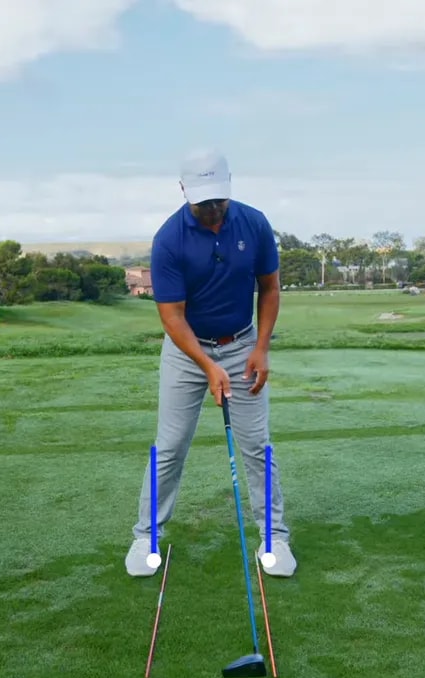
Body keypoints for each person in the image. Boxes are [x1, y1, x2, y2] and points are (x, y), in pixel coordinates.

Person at [124, 149, 296, 578]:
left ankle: (274, 538)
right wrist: (207, 365)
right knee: (170, 446)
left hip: (242, 345)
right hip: (186, 350)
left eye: (218, 199)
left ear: (229, 186)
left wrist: (261, 348)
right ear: (184, 191)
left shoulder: (254, 223)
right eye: (202, 201)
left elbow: (270, 289)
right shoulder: (169, 239)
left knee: (257, 445)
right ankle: (146, 536)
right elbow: (171, 316)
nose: (212, 209)